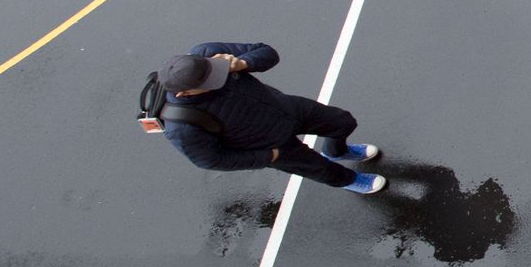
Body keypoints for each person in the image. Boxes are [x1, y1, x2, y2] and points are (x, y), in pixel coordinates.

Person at [158, 42, 386, 195]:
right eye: (210, 81)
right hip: (270, 145)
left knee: (343, 121)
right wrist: (268, 156)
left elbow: (266, 51)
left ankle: (336, 151)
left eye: (213, 71)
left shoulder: (208, 53)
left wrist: (243, 63)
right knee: (321, 170)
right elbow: (212, 160)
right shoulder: (182, 127)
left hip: (286, 108)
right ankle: (349, 180)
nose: (218, 77)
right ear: (183, 93)